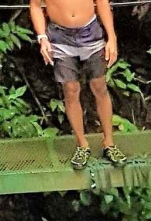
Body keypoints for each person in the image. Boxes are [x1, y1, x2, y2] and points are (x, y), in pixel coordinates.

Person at [30, 0, 126, 169]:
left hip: (90, 31)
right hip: (59, 35)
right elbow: (36, 5)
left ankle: (109, 142)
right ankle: (82, 144)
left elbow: (102, 3)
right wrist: (42, 37)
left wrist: (112, 37)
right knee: (70, 89)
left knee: (99, 86)